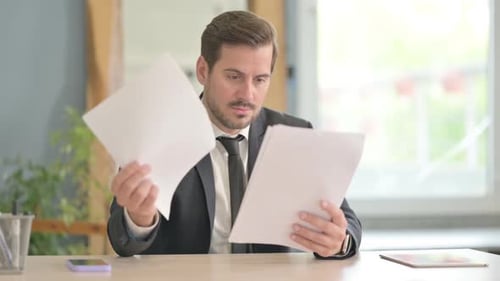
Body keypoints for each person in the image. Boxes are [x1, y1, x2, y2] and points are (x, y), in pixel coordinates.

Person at [107, 10, 361, 259]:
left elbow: (346, 222)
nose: (247, 94)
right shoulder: (156, 134)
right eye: (234, 77)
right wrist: (140, 219)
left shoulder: (296, 134)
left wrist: (339, 241)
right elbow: (123, 242)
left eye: (260, 80)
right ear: (203, 71)